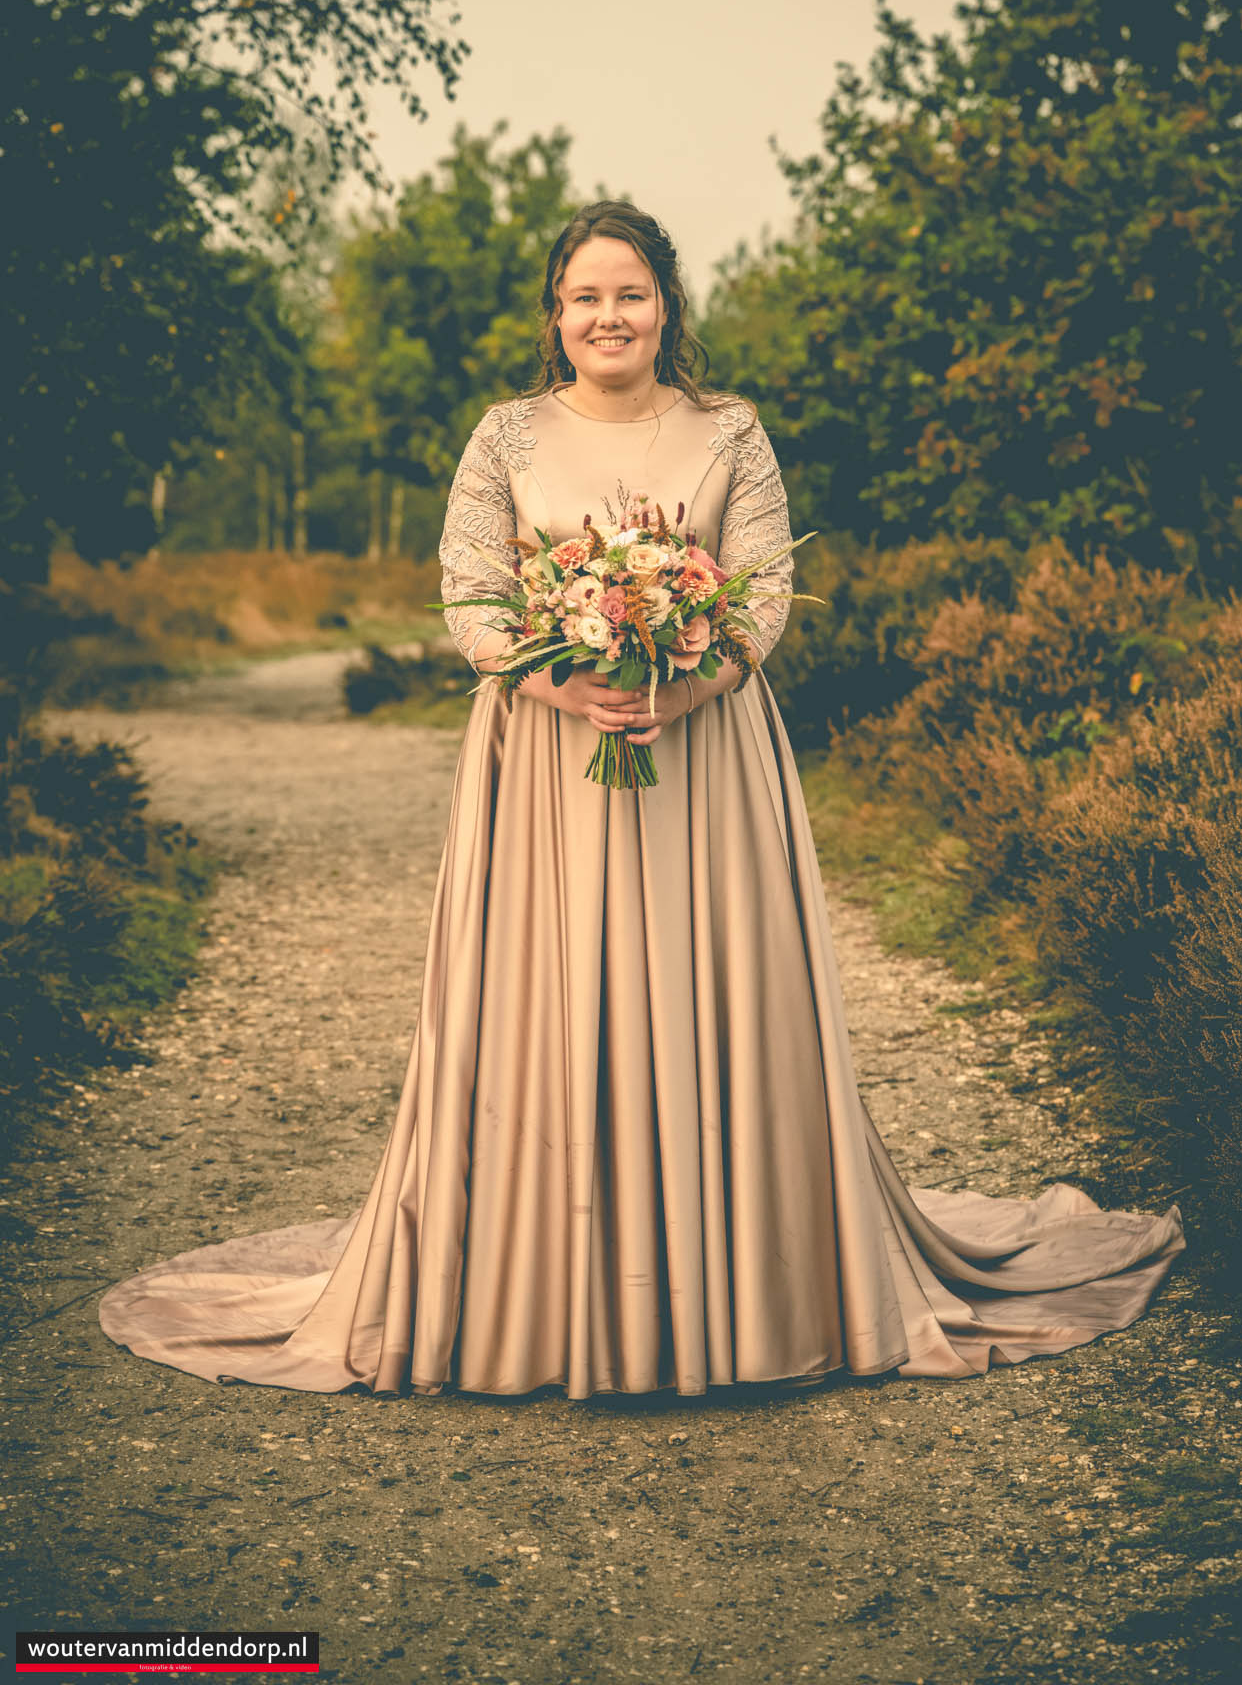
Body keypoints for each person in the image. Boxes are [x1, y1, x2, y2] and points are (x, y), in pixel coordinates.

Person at [99, 200, 1185, 1399]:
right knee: (546, 1004)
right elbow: (468, 598)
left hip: (708, 762)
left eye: (630, 293)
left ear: (666, 304)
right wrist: (564, 684)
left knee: (709, 991)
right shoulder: (504, 436)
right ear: (554, 315)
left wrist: (691, 680)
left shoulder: (731, 430)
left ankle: (745, 1292)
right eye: (584, 296)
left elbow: (766, 600)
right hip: (544, 767)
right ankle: (542, 1295)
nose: (607, 316)